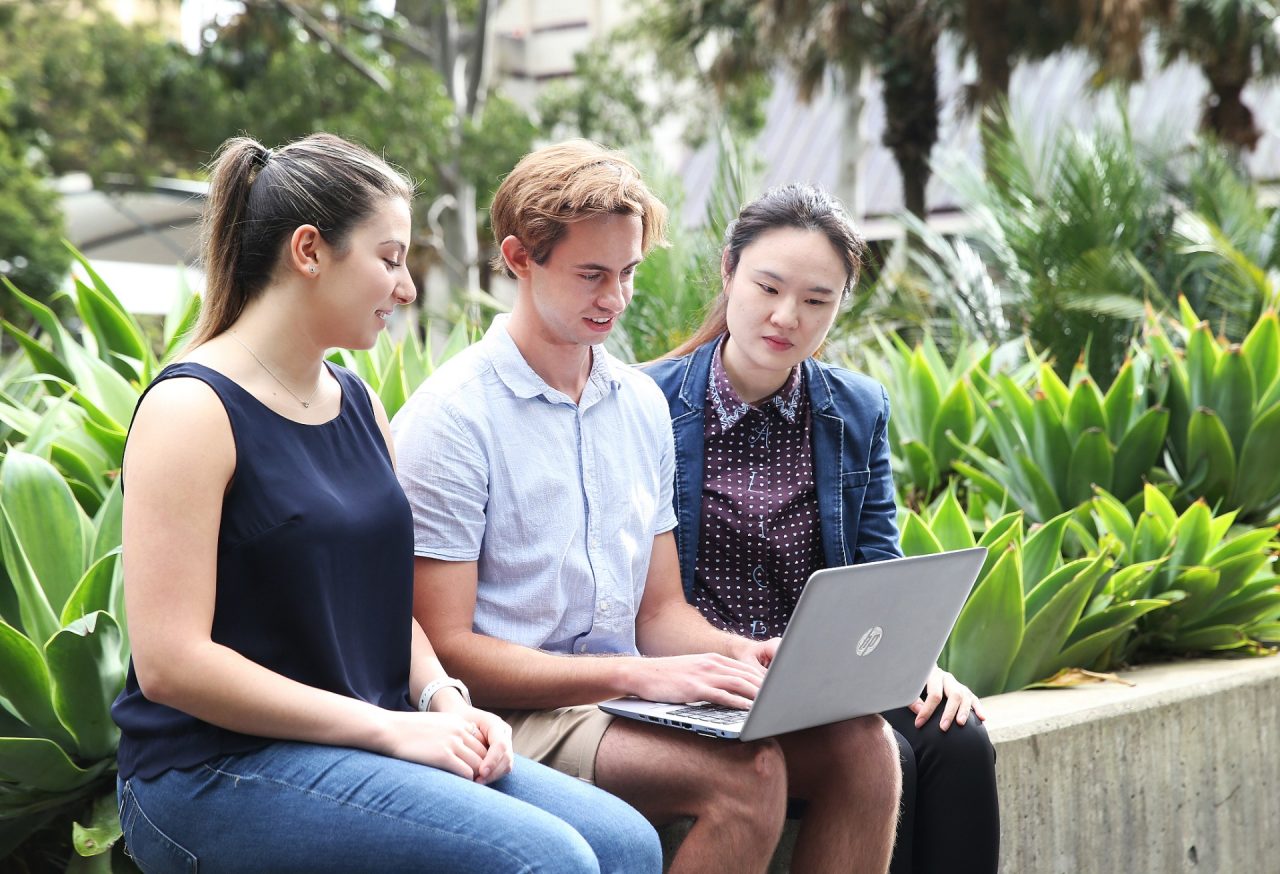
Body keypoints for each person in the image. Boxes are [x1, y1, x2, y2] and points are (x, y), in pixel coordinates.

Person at [111, 133, 661, 874]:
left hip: (362, 738)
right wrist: (385, 730)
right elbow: (173, 665)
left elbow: (381, 603)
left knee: (628, 844)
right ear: (309, 251)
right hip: (211, 768)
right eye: (390, 258)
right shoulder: (192, 410)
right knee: (545, 862)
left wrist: (444, 701)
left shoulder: (358, 403)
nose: (406, 288)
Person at [392, 140, 902, 874]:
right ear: (519, 258)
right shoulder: (454, 417)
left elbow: (659, 616)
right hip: (509, 717)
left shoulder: (637, 404)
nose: (616, 298)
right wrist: (638, 677)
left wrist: (748, 657)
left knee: (865, 749)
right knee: (747, 779)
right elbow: (447, 647)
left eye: (628, 272)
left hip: (623, 703)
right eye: (592, 275)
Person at [643, 183, 1001, 874]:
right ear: (728, 271)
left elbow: (879, 574)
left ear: (840, 305)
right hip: (707, 678)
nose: (786, 317)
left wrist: (916, 666)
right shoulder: (647, 403)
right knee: (881, 753)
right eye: (768, 287)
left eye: (817, 300)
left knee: (958, 740)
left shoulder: (856, 408)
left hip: (826, 677)